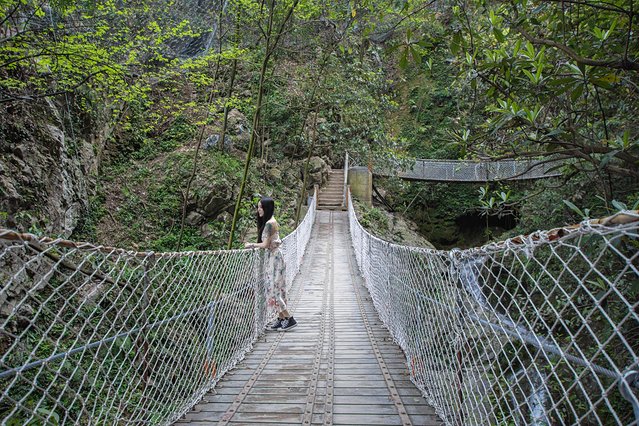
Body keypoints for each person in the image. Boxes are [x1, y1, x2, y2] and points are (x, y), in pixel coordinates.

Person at [245, 197, 297, 331]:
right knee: (276, 288)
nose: (258, 210)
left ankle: (289, 318)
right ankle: (281, 319)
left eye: (260, 207)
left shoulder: (269, 223)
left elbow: (266, 244)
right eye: (258, 207)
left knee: (273, 289)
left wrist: (251, 244)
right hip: (275, 257)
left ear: (266, 208)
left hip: (274, 259)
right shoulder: (271, 221)